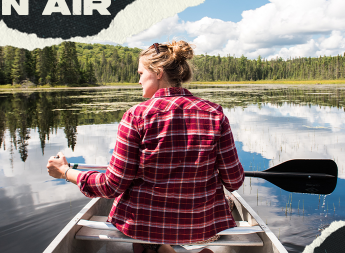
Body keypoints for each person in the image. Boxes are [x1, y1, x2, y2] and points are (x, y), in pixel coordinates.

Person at [47, 40, 245, 253]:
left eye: (141, 74)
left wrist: (66, 172)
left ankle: (155, 247)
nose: (138, 81)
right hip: (201, 227)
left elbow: (112, 186)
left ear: (158, 72)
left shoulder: (136, 116)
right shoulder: (215, 114)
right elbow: (234, 181)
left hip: (144, 226)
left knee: (141, 241)